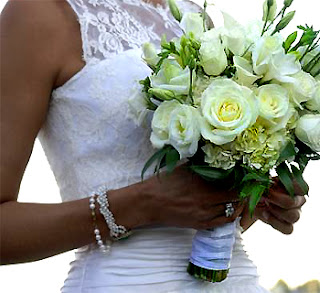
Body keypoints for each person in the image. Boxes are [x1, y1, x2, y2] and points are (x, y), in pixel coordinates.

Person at [0, 0, 306, 292]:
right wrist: (142, 204)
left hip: (235, 279)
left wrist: (251, 198)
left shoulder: (195, 17)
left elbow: (193, 203)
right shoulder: (39, 13)